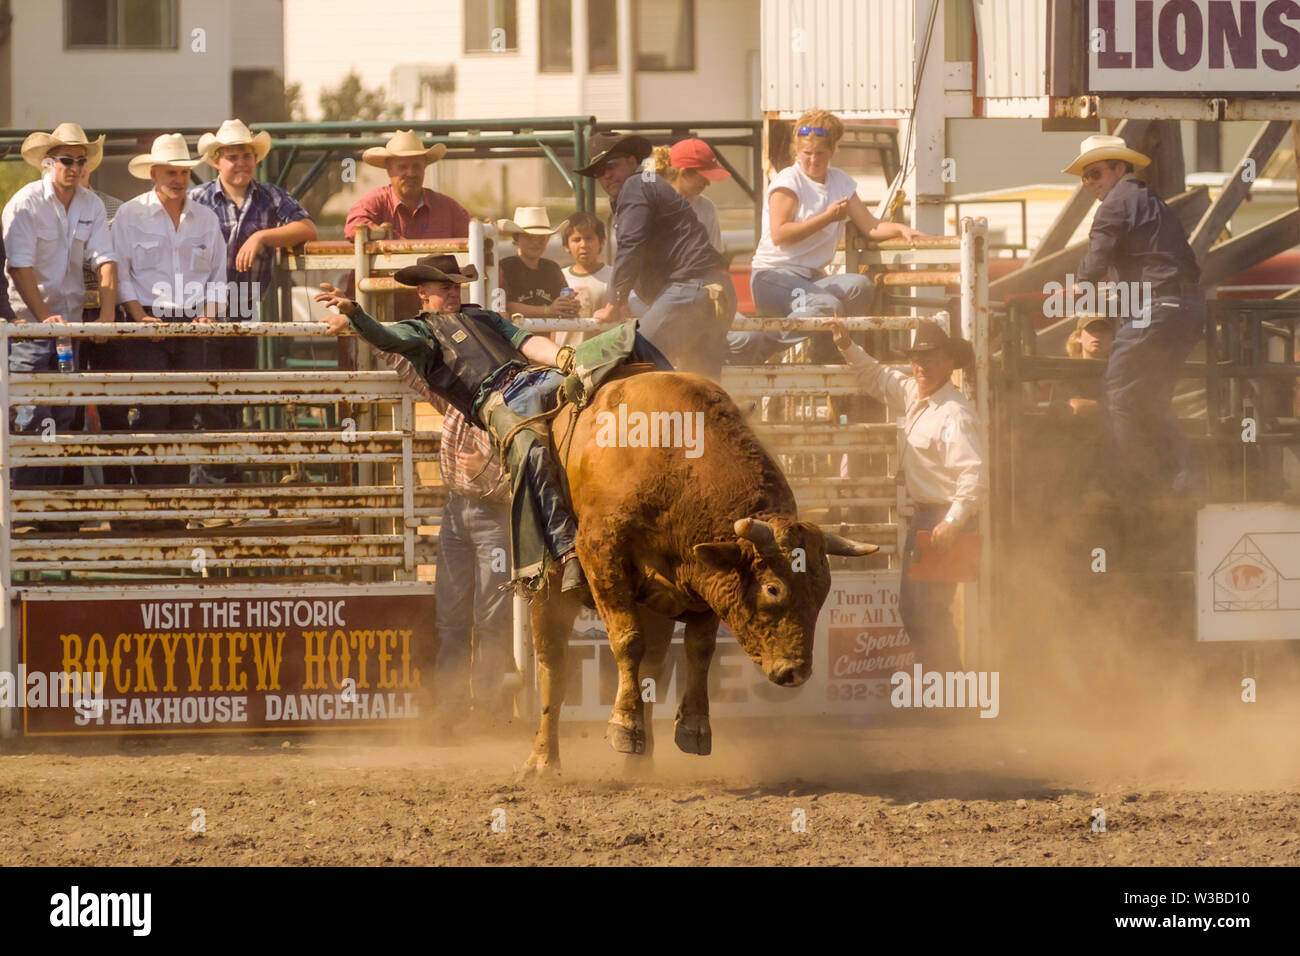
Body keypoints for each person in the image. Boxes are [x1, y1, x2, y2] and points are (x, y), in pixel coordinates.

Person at [314, 255, 589, 592]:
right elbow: (388, 340)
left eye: (456, 284)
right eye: (446, 286)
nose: (454, 291)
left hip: (530, 384)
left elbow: (526, 341)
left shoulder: (481, 317)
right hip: (487, 439)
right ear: (423, 292)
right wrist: (356, 317)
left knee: (599, 371)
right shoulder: (423, 334)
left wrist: (563, 357)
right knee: (528, 450)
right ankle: (565, 549)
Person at [830, 319, 986, 673]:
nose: (922, 367)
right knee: (920, 611)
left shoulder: (955, 414)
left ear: (948, 364)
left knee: (926, 611)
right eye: (917, 360)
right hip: (931, 517)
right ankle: (946, 691)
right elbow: (878, 377)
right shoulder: (918, 395)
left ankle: (948, 695)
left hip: (945, 518)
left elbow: (973, 474)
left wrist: (952, 521)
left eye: (930, 360)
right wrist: (846, 346)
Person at [378, 333, 513, 730]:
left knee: (490, 616)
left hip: (491, 514)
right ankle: (454, 708)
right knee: (454, 616)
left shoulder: (506, 410)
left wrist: (485, 472)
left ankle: (484, 710)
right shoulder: (458, 399)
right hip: (460, 511)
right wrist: (359, 323)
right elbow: (412, 369)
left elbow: (525, 474)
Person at [1065, 134, 1206, 499]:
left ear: (1119, 168)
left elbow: (1097, 257)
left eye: (1095, 173)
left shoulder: (1114, 205)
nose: (1091, 183)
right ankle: (1182, 477)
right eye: (1085, 177)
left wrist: (1080, 285)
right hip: (1186, 309)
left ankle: (1142, 483)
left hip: (1155, 311)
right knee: (1151, 397)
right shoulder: (1151, 201)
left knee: (1121, 393)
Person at [728, 110, 924, 366]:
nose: (813, 160)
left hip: (810, 278)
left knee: (860, 287)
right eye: (806, 153)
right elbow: (780, 234)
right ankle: (749, 348)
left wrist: (899, 230)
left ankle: (824, 352)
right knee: (825, 304)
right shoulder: (788, 180)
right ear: (797, 152)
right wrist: (827, 218)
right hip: (774, 277)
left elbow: (870, 226)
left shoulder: (840, 181)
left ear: (832, 151)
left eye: (820, 153)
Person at [189, 119, 318, 490]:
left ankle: (219, 487)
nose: (242, 163)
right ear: (217, 161)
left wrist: (262, 235)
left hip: (243, 313)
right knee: (207, 403)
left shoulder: (269, 197)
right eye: (233, 156)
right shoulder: (197, 200)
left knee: (232, 399)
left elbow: (307, 228)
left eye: (247, 155)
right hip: (203, 315)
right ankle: (215, 486)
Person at [2, 123, 116, 488]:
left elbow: (106, 260)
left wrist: (108, 317)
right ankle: (29, 509)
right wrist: (42, 319)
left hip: (66, 328)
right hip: (30, 330)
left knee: (61, 416)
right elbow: (19, 268)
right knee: (35, 415)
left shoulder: (91, 204)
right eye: (67, 160)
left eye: (81, 160)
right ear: (49, 163)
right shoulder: (25, 203)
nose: (76, 167)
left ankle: (46, 511)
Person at [111, 133, 227, 487]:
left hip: (193, 322)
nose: (178, 180)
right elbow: (119, 271)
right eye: (170, 172)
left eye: (183, 173)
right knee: (152, 411)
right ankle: (149, 497)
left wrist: (208, 314)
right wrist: (137, 315)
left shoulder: (206, 218)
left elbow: (218, 274)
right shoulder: (129, 215)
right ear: (154, 174)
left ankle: (172, 501)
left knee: (182, 411)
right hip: (146, 320)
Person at [575, 131, 736, 380]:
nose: (605, 175)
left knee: (623, 366)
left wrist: (613, 303)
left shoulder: (635, 185)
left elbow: (631, 245)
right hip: (716, 292)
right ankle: (718, 417)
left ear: (631, 160)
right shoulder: (648, 183)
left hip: (690, 290)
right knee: (700, 380)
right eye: (598, 172)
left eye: (611, 165)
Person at [345, 129, 471, 318]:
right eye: (403, 166)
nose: (410, 173)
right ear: (389, 170)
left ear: (424, 169)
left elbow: (481, 243)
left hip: (433, 315)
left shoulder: (448, 207)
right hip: (378, 313)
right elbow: (354, 228)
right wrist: (405, 246)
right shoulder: (373, 202)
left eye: (416, 166)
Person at [649, 139, 731, 255]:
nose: (708, 183)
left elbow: (714, 257)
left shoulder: (707, 207)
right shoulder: (649, 204)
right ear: (684, 173)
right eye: (704, 177)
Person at [496, 206, 578, 320]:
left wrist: (569, 306)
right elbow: (504, 307)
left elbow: (561, 306)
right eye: (528, 236)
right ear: (516, 239)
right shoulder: (505, 267)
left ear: (548, 239)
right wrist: (548, 310)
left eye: (541, 237)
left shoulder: (552, 269)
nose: (535, 242)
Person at [557, 211, 613, 347]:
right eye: (576, 240)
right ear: (566, 246)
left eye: (589, 238)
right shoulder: (558, 276)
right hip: (562, 357)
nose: (583, 245)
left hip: (600, 357)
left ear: (602, 242)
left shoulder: (613, 276)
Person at [1051, 314, 1116, 416]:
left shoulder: (1121, 371)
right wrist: (1115, 407)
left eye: (1104, 330)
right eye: (1092, 329)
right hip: (1077, 430)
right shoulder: (1068, 371)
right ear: (1078, 337)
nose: (1098, 334)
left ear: (1113, 338)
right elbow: (1076, 407)